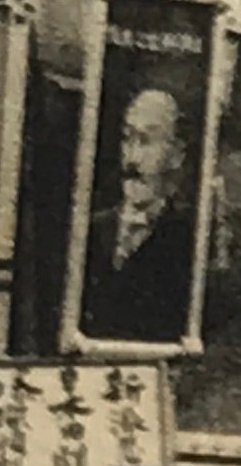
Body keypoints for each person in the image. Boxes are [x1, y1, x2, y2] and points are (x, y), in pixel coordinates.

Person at [76, 77, 204, 345]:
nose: (131, 158)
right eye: (127, 138)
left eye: (146, 141)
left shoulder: (189, 242)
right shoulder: (90, 229)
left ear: (176, 155)